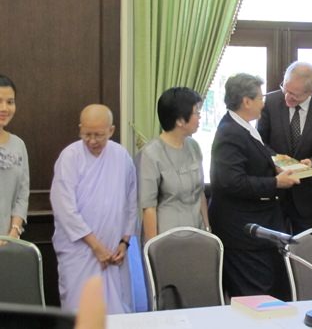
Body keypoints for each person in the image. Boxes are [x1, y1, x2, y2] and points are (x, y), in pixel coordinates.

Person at [209, 73, 299, 298]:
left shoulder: (244, 126)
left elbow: (261, 154)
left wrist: (281, 162)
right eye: (260, 97)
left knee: (272, 291)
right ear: (246, 101)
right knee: (254, 294)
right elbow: (231, 181)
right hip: (242, 229)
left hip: (259, 224)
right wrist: (275, 182)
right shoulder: (230, 132)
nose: (264, 102)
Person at [51, 104, 136, 314]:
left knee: (117, 314)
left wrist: (124, 242)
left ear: (111, 131)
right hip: (80, 253)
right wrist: (96, 247)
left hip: (114, 253)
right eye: (86, 134)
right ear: (80, 129)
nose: (92, 141)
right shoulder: (69, 157)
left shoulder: (121, 156)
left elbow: (130, 202)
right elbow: (64, 209)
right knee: (80, 313)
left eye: (98, 135)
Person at [257, 61, 312, 234]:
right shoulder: (268, 102)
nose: (287, 97)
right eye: (285, 89)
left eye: (294, 95)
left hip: (306, 196)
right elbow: (259, 142)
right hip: (274, 191)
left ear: (311, 92)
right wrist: (277, 162)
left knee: (307, 249)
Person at [138, 87, 209, 243]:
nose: (199, 117)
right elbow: (149, 207)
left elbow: (200, 193)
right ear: (180, 120)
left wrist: (208, 229)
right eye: (196, 113)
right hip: (167, 238)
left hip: (196, 233)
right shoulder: (151, 154)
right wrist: (154, 249)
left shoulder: (194, 147)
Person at [0, 75, 28, 240]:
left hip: (9, 241)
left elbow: (22, 195)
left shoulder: (18, 145)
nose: (4, 108)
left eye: (10, 102)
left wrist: (14, 231)